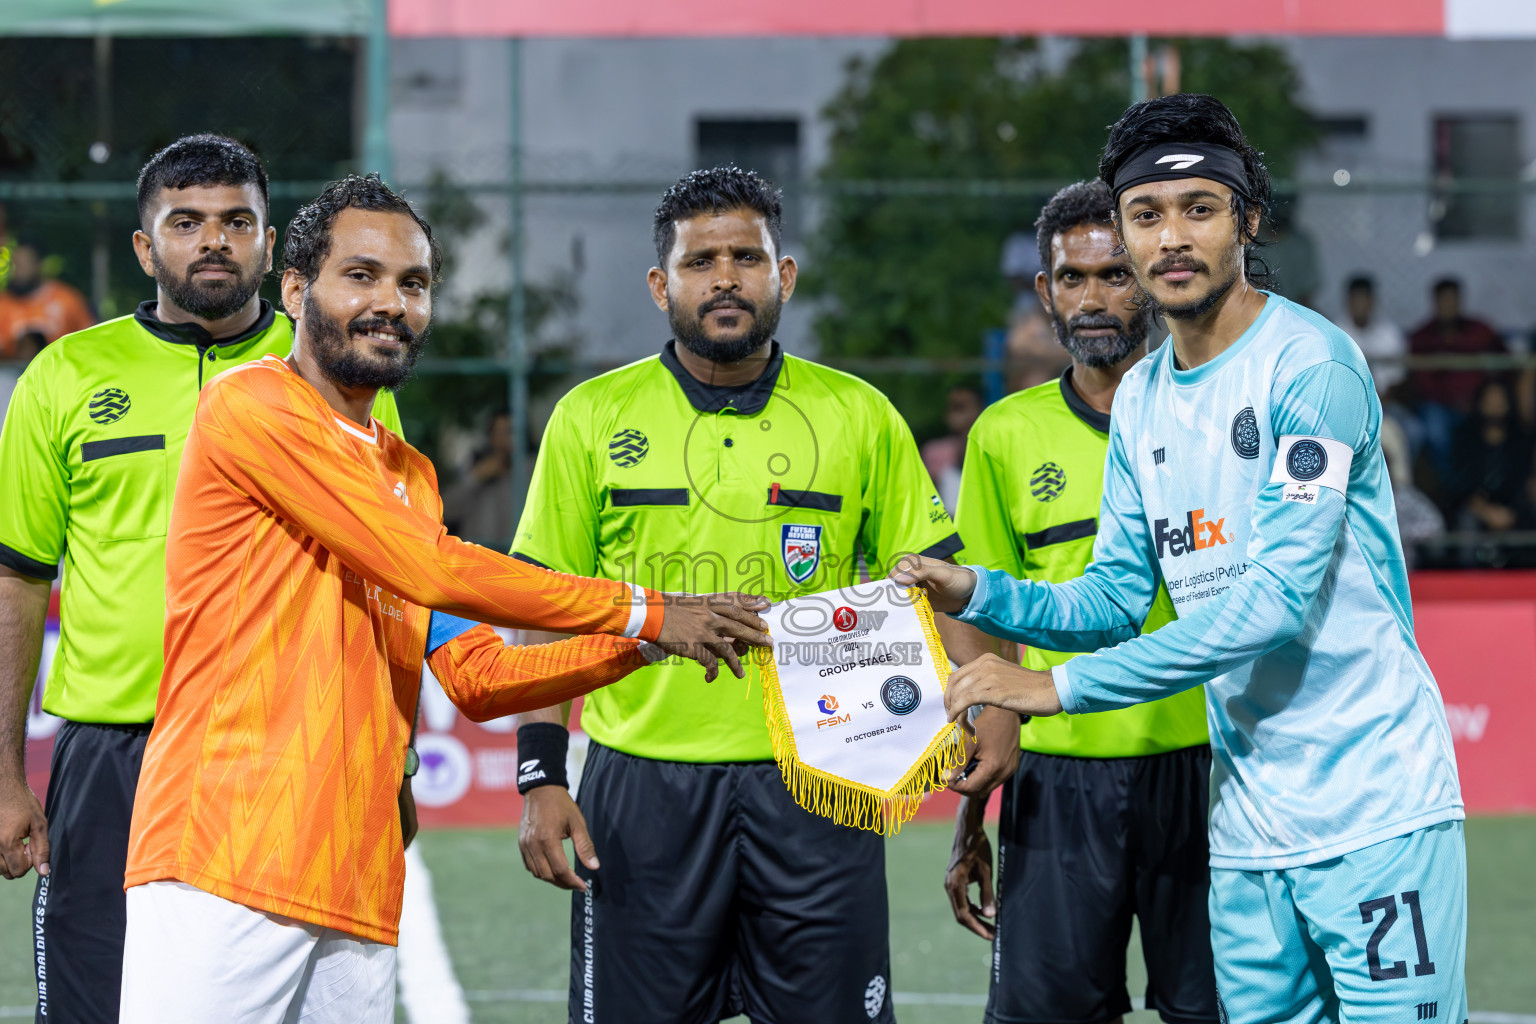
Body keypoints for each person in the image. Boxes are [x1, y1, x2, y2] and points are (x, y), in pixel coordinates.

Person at [117, 174, 768, 1022]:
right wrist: (644, 607)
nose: (390, 302)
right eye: (361, 275)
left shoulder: (408, 476)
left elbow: (476, 676)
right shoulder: (250, 406)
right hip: (224, 854)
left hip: (355, 875)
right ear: (294, 290)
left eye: (413, 284)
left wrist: (641, 647)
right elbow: (428, 567)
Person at [896, 94, 1467, 1022]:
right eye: (1146, 215)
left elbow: (1277, 601)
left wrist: (1055, 689)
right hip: (1245, 823)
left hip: (1372, 806)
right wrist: (980, 590)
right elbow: (1117, 596)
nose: (1171, 238)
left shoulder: (1311, 369)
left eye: (1199, 210)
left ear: (1247, 220)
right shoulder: (1149, 398)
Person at [511, 166, 961, 1024]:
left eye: (747, 257)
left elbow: (937, 584)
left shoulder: (858, 414)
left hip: (822, 781)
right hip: (641, 796)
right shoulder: (590, 418)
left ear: (783, 275)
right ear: (660, 285)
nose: (725, 277)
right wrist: (540, 773)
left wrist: (978, 711)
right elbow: (545, 610)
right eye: (700, 260)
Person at [0, 134, 405, 1024]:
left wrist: (394, 760)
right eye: (186, 223)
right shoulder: (66, 375)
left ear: (270, 247)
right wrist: (4, 769)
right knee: (93, 1003)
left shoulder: (339, 374)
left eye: (236, 222)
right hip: (115, 755)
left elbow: (387, 578)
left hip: (287, 756)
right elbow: (19, 580)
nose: (213, 241)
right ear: (148, 248)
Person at [943, 180, 1215, 1024]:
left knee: (1222, 1010)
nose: (1092, 298)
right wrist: (976, 807)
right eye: (1072, 279)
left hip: (1208, 767)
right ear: (1044, 293)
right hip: (1057, 779)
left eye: (1114, 275)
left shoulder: (1219, 413)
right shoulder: (1004, 435)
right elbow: (987, 625)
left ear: (1151, 277)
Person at [1409, 277, 1505, 474]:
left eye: (1452, 299)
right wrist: (1453, 400)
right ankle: (1450, 486)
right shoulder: (1422, 337)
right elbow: (1421, 381)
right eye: (1443, 300)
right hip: (1438, 405)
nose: (1448, 305)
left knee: (1488, 430)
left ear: (1460, 301)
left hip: (1477, 402)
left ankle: (1485, 483)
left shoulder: (1481, 331)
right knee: (1436, 431)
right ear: (1434, 302)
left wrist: (1482, 396)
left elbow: (1505, 361)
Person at [0, 244, 95, 357]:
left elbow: (91, 339)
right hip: (12, 372)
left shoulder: (67, 299)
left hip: (62, 369)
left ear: (38, 265)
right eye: (15, 265)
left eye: (23, 265)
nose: (17, 271)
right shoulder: (4, 303)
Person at [442, 409, 514, 545]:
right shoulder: (475, 464)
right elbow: (447, 509)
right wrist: (476, 477)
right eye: (499, 432)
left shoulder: (528, 471)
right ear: (490, 435)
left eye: (509, 432)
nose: (503, 439)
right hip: (478, 554)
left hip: (513, 556)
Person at [1337, 274, 1407, 399]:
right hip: (1347, 402)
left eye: (1364, 299)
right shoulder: (1337, 333)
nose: (1360, 305)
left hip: (1385, 401)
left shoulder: (1390, 333)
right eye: (1356, 299)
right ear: (1348, 302)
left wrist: (1380, 402)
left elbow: (1398, 378)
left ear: (1373, 301)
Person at [920, 384, 983, 514]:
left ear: (978, 409)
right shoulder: (932, 451)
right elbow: (928, 496)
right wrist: (938, 509)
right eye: (952, 407)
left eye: (961, 407)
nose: (956, 415)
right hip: (948, 522)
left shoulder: (989, 447)